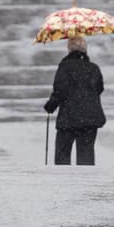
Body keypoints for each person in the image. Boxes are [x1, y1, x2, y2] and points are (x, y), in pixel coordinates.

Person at [43, 36, 106, 165]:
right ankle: (85, 181)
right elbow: (99, 89)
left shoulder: (65, 66)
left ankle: (64, 182)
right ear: (85, 50)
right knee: (86, 154)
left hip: (69, 116)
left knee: (62, 154)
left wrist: (51, 105)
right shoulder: (94, 68)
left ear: (69, 49)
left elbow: (60, 90)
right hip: (90, 117)